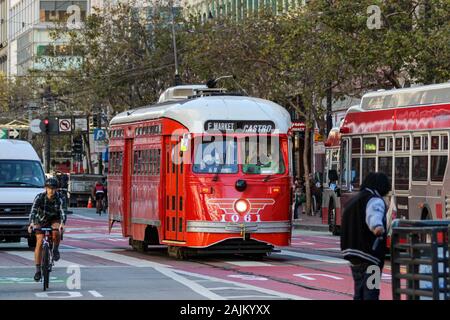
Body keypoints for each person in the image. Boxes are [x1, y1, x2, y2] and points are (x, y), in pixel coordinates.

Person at [340, 172, 390, 300]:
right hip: (371, 257)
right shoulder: (374, 200)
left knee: (359, 291)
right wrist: (378, 228)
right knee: (371, 292)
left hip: (353, 256)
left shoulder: (354, 201)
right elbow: (374, 217)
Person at [28, 177, 66, 282]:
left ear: (57, 189)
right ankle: (37, 270)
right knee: (39, 242)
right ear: (46, 188)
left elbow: (63, 211)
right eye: (49, 188)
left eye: (54, 188)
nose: (51, 191)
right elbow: (33, 211)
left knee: (56, 232)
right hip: (40, 219)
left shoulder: (61, 198)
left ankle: (55, 250)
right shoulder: (39, 197)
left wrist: (62, 224)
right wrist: (31, 223)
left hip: (54, 219)